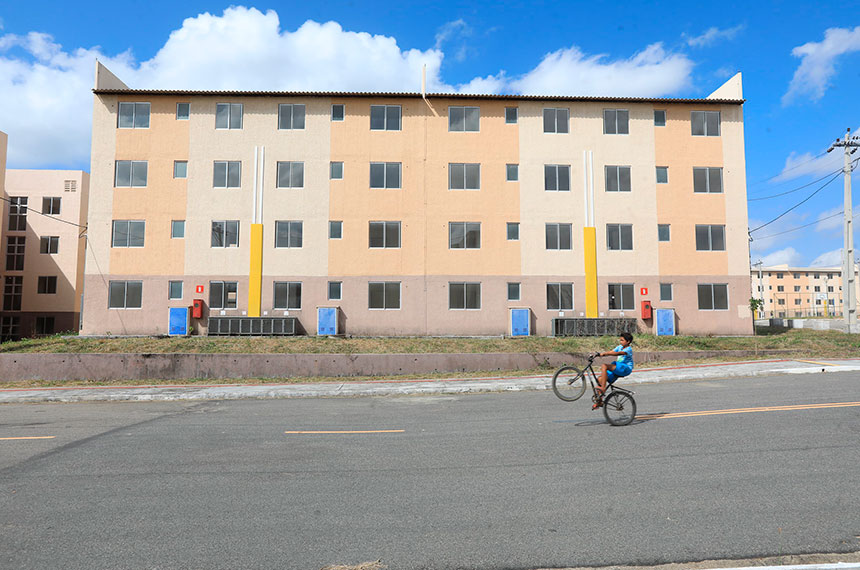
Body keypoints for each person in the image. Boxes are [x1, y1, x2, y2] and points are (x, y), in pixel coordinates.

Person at [591, 332, 634, 409]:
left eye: (622, 340)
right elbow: (612, 351)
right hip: (619, 368)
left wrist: (606, 354)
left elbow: (618, 353)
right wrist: (601, 354)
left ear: (628, 342)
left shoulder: (628, 349)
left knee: (604, 366)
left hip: (625, 368)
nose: (620, 342)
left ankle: (603, 388)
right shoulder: (620, 346)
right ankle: (600, 402)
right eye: (620, 340)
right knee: (600, 379)